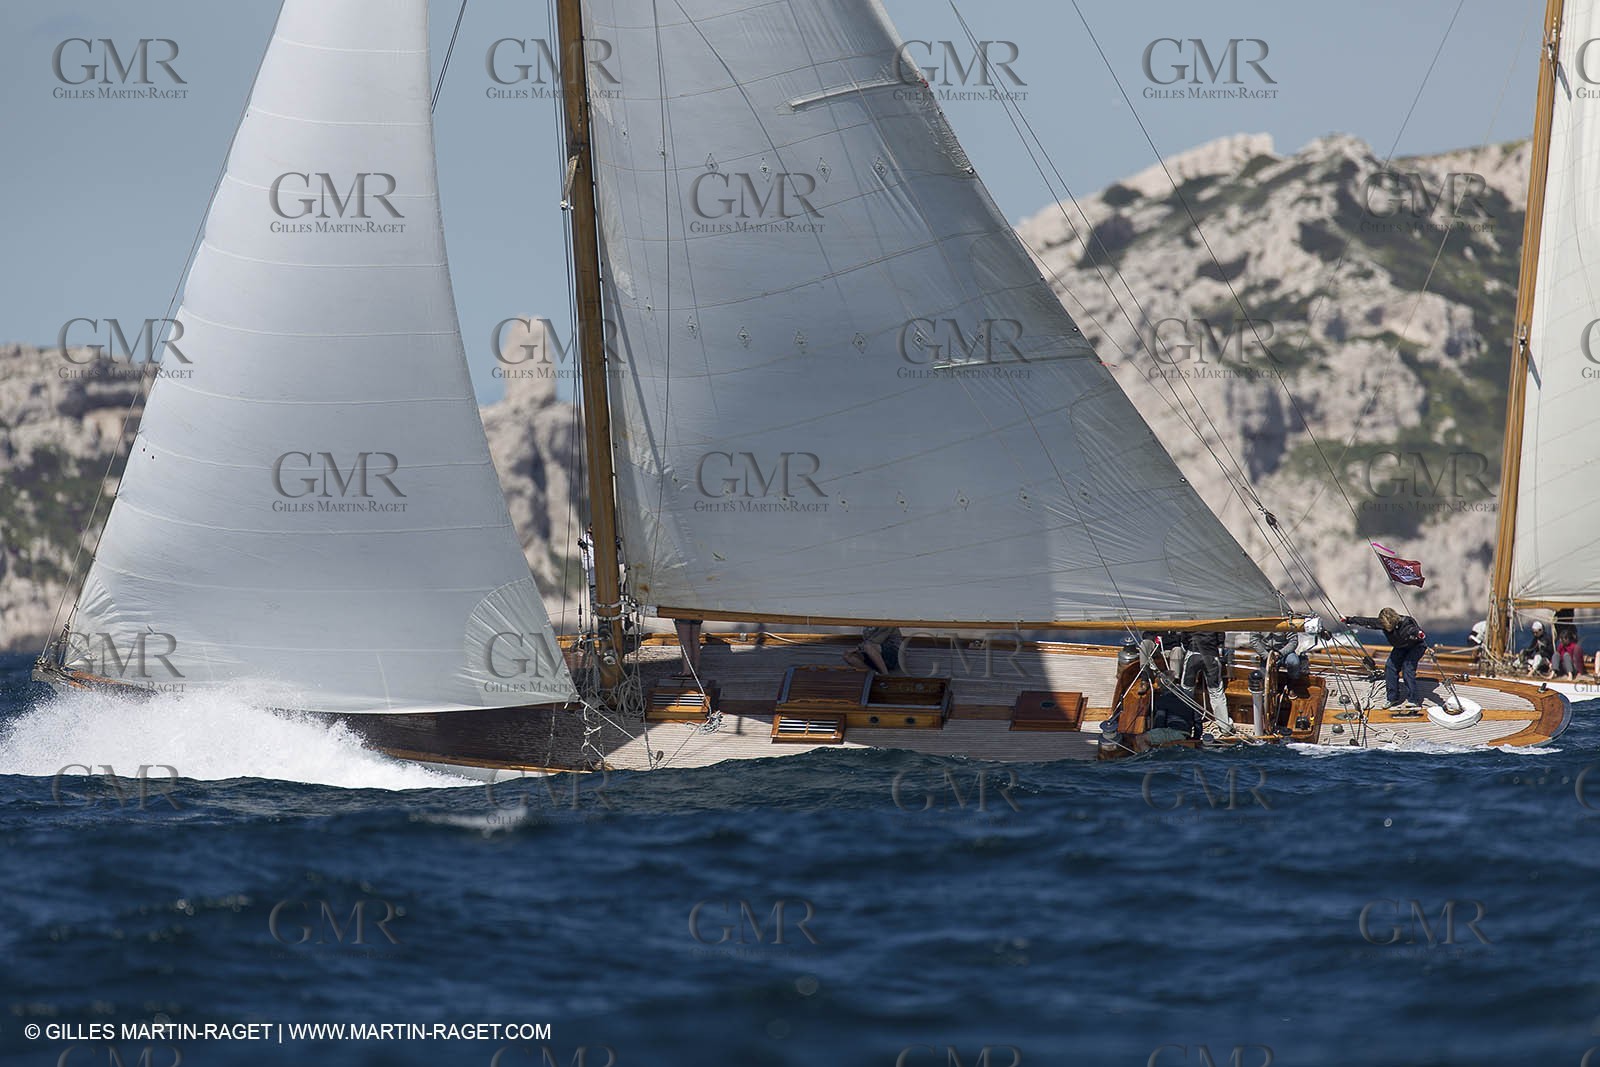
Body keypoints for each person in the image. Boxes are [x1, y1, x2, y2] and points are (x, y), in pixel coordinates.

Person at [1342, 608, 1426, 708]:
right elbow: (1367, 621)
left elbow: (1413, 630)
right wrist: (1349, 620)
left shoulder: (1406, 623)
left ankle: (1414, 700)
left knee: (1407, 669)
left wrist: (1419, 634)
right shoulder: (1382, 623)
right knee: (1390, 667)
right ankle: (1392, 698)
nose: (1388, 629)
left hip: (1416, 647)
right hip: (1400, 647)